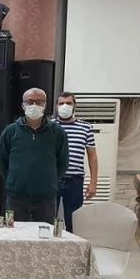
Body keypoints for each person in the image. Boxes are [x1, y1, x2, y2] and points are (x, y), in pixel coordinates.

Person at [0, 87, 69, 279]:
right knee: (14, 243)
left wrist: (48, 182)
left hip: (46, 198)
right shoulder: (10, 131)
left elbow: (62, 164)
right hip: (15, 198)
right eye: (30, 101)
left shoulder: (57, 133)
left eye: (39, 101)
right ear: (23, 104)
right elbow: (2, 163)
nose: (34, 105)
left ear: (46, 105)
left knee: (45, 245)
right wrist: (16, 182)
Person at [55, 91, 98, 233]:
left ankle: (72, 246)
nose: (65, 106)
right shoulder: (50, 126)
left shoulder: (86, 127)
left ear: (74, 105)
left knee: (74, 221)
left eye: (68, 103)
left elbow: (92, 156)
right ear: (56, 106)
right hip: (52, 179)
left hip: (75, 180)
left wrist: (93, 183)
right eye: (61, 103)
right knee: (47, 218)